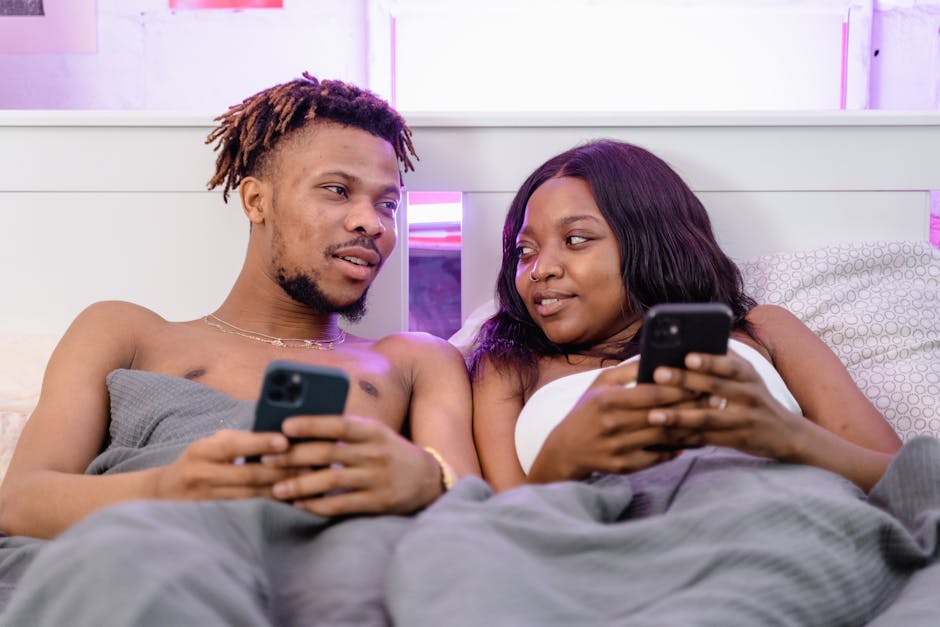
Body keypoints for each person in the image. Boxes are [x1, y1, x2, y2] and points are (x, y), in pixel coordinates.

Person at [0, 72, 479, 624]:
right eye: (337, 190)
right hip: (135, 559)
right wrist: (167, 489)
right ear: (257, 199)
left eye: (388, 204)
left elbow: (476, 520)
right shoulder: (127, 332)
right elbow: (21, 501)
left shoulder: (413, 361)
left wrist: (425, 475)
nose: (369, 222)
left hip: (316, 582)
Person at [468, 138, 901, 493]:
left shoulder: (765, 331)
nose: (540, 268)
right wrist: (562, 459)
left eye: (577, 239)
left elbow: (907, 482)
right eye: (525, 251)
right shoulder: (510, 366)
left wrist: (787, 436)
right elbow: (506, 536)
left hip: (788, 535)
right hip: (620, 568)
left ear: (650, 240)